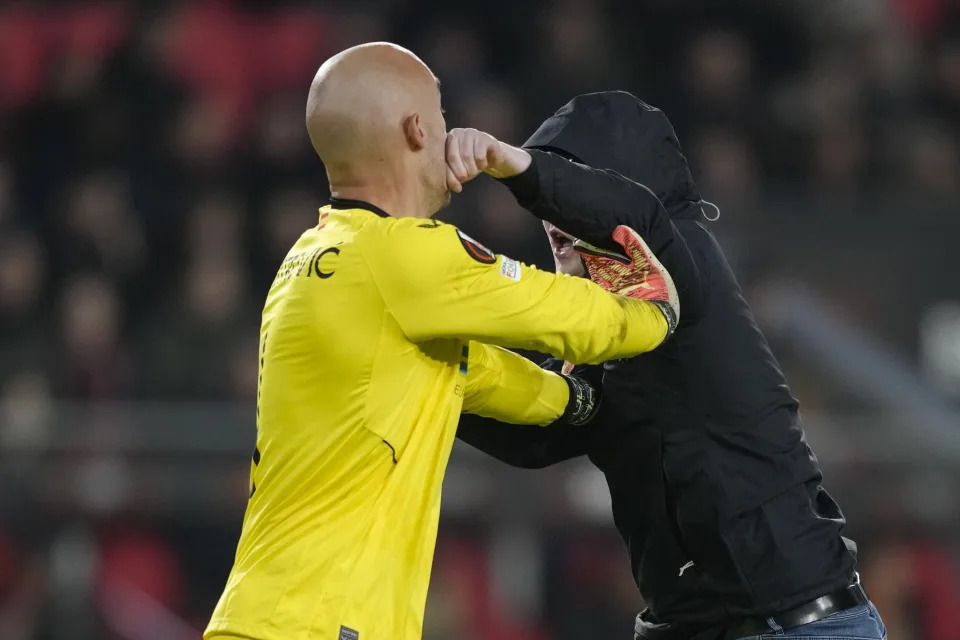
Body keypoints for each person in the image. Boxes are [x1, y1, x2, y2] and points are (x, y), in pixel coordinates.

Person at [204, 50, 682, 640]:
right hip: (318, 621)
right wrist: (652, 310)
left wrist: (575, 400)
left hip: (277, 612)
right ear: (416, 128)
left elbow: (470, 370)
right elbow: (574, 315)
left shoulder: (313, 261)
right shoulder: (402, 254)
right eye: (442, 114)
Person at [451, 92, 887, 640]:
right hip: (686, 625)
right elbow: (542, 433)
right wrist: (439, 369)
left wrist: (512, 164)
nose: (547, 214)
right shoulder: (599, 334)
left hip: (795, 624)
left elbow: (635, 218)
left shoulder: (687, 257)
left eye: (567, 182)